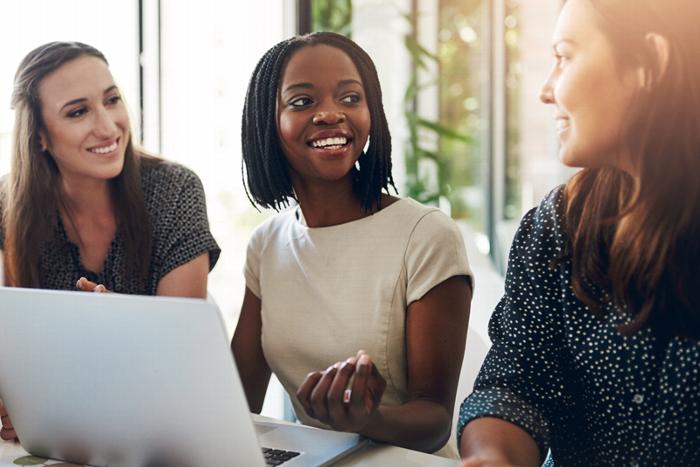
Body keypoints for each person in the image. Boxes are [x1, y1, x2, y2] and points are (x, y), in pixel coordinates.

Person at [458, 0, 700, 465]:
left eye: (565, 56)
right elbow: (515, 387)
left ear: (649, 64)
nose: (546, 91)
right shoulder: (557, 227)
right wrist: (493, 457)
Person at [232, 32, 473, 456]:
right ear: (265, 122)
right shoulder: (266, 245)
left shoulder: (426, 235)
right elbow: (235, 403)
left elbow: (435, 420)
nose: (330, 114)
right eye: (303, 101)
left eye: (349, 97)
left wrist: (369, 419)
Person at [0, 41, 220, 441]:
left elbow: (180, 361)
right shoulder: (7, 206)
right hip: (60, 440)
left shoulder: (174, 191)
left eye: (112, 99)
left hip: (163, 434)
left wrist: (122, 331)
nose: (108, 126)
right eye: (78, 111)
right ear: (39, 138)